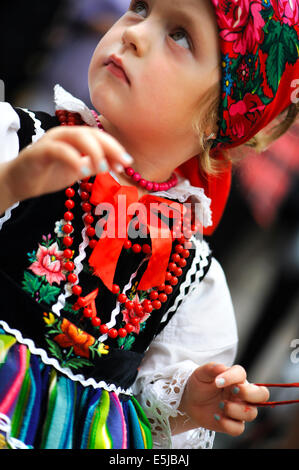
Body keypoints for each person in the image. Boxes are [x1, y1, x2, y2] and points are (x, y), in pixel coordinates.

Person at [0, 0, 298, 450]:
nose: (134, 33)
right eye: (140, 7)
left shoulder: (193, 279)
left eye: (180, 35)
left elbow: (147, 426)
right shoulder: (17, 141)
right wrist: (11, 184)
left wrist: (186, 408)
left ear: (225, 113)